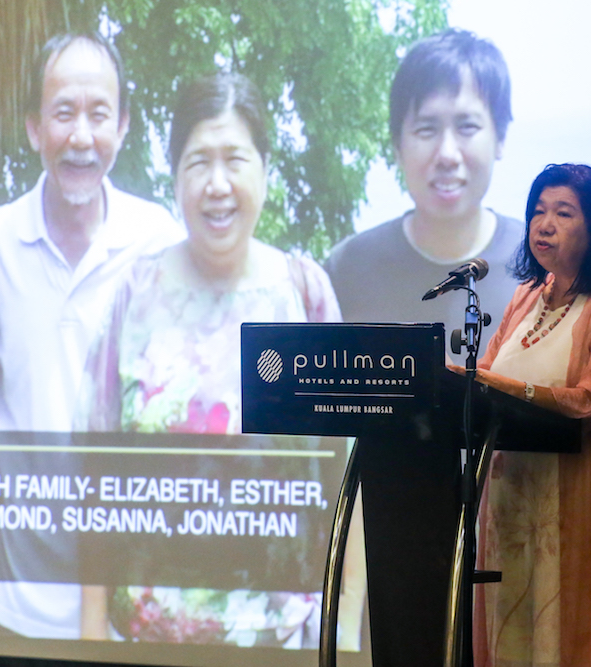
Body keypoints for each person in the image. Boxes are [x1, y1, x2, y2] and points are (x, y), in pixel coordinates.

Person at [77, 72, 356, 648]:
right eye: (198, 162)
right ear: (174, 176)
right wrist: (88, 640)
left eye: (236, 158)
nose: (217, 183)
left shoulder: (304, 296)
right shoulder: (134, 294)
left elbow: (347, 485)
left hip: (278, 645)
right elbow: (93, 479)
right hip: (143, 645)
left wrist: (345, 640)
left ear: (266, 170)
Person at [0, 32, 183, 639]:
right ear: (32, 128)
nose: (80, 136)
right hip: (12, 602)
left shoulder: (160, 243)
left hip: (129, 604)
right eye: (63, 112)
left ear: (122, 127)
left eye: (99, 114)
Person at [458, 164, 591, 666]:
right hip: (507, 502)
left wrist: (486, 381)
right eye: (537, 212)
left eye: (563, 213)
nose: (544, 225)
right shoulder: (528, 296)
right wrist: (453, 376)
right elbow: (488, 372)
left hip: (572, 507)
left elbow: (589, 399)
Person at [324, 29, 521, 350]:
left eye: (467, 127)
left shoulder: (548, 269)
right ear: (397, 146)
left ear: (500, 138)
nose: (447, 154)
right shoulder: (347, 270)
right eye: (426, 129)